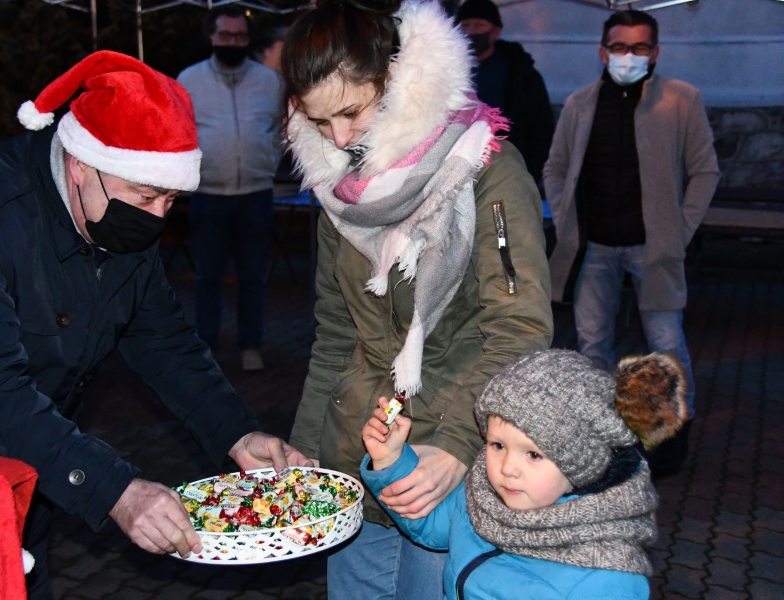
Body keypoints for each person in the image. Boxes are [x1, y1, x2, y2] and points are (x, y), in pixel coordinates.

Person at [0, 50, 309, 599]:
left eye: (171, 199)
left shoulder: (116, 213)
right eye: (146, 195)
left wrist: (236, 431)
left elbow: (164, 341)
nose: (158, 217)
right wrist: (117, 490)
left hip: (35, 458)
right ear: (82, 164)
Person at [280, 1, 553, 597]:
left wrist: (456, 446)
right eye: (322, 122)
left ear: (399, 78)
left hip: (445, 463)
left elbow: (520, 330)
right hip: (358, 458)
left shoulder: (486, 169)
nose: (341, 138)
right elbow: (336, 336)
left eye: (352, 111)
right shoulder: (338, 190)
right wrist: (304, 452)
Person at [543, 9, 720, 478]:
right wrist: (565, 220)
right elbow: (555, 168)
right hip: (594, 249)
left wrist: (679, 231)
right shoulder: (580, 104)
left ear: (655, 53)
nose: (629, 56)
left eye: (640, 48)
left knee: (666, 345)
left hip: (653, 249)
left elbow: (706, 171)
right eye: (620, 47)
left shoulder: (682, 101)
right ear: (603, 52)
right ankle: (606, 439)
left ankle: (671, 439)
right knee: (592, 346)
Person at [362, 349, 688, 599]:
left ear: (580, 462)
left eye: (533, 454)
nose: (507, 468)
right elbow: (432, 525)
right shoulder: (483, 495)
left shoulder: (605, 578)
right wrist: (391, 462)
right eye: (497, 445)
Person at [176, 5, 284, 371]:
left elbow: (282, 130)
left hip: (255, 193)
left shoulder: (270, 81)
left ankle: (250, 344)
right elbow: (179, 131)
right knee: (207, 277)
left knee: (253, 276)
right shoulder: (189, 81)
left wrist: (267, 159)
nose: (232, 42)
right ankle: (206, 346)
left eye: (239, 36)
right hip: (209, 194)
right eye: (225, 35)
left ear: (247, 38)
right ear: (212, 36)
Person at [455, 0, 555, 191]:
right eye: (465, 25)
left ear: (495, 32)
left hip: (506, 174)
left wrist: (527, 172)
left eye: (480, 25)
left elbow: (541, 128)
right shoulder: (444, 71)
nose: (472, 32)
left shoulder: (521, 74)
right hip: (456, 175)